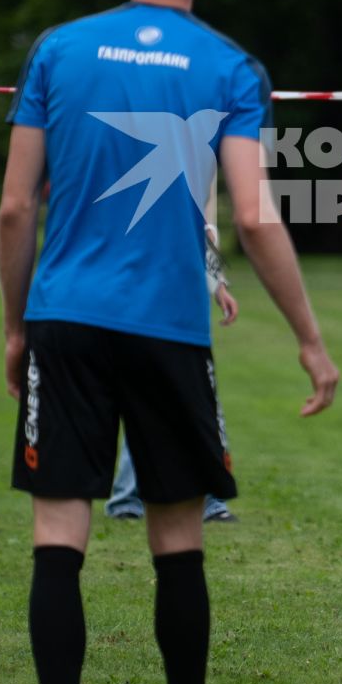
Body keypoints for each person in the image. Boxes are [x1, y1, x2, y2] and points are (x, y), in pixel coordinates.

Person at [0, 0, 339, 684]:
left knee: (58, 534)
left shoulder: (59, 51)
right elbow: (258, 214)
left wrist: (14, 324)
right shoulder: (231, 66)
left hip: (65, 318)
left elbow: (14, 205)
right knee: (177, 537)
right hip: (169, 328)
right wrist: (310, 337)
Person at [110, 199, 237, 524]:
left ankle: (210, 499)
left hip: (184, 316)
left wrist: (218, 284)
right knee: (145, 402)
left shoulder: (191, 166)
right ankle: (127, 498)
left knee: (199, 407)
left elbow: (203, 229)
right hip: (143, 313)